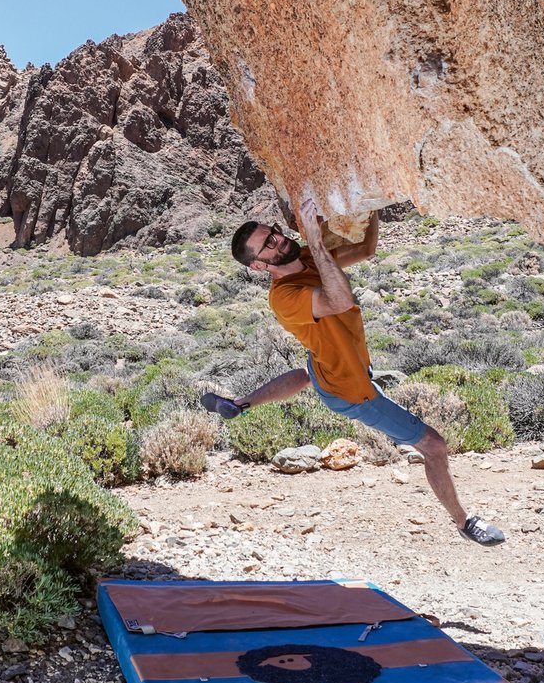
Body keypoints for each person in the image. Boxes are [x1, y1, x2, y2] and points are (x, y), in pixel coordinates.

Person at [202, 195, 505, 545]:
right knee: (434, 446)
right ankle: (464, 523)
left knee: (306, 374)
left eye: (274, 232)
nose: (279, 239)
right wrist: (316, 242)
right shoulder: (284, 295)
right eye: (268, 244)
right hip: (350, 390)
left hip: (325, 365)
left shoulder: (303, 257)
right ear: (259, 266)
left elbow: (366, 247)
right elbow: (340, 301)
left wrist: (371, 205)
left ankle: (238, 404)